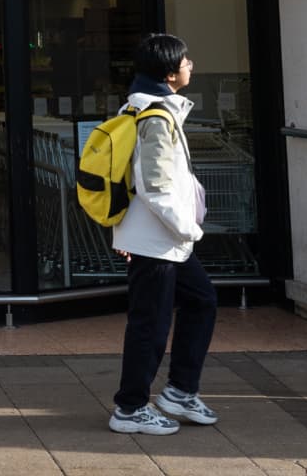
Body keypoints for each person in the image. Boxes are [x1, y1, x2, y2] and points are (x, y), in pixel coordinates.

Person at [107, 34, 218, 435]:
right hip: (157, 240)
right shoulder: (155, 116)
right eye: (186, 62)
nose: (191, 66)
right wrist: (190, 230)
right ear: (170, 74)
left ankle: (179, 391)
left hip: (163, 239)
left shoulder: (146, 107)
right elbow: (153, 185)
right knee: (149, 325)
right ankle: (130, 408)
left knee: (201, 300)